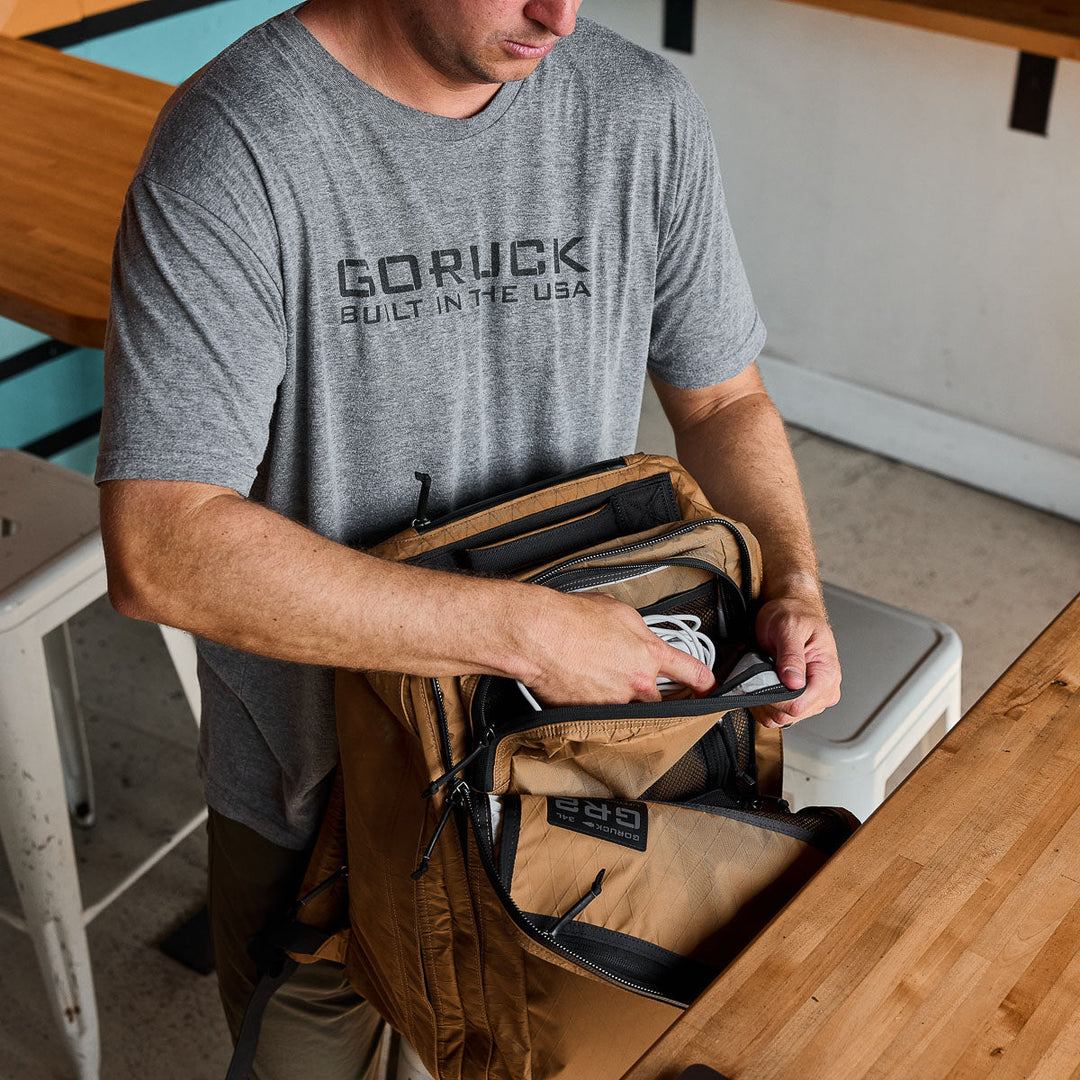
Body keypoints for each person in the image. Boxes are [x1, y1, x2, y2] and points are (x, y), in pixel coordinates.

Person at [97, 1, 842, 1075]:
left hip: (578, 763)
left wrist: (793, 575)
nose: (560, 14)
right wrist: (526, 635)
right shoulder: (239, 142)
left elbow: (723, 401)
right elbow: (163, 545)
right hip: (326, 804)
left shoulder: (640, 111)